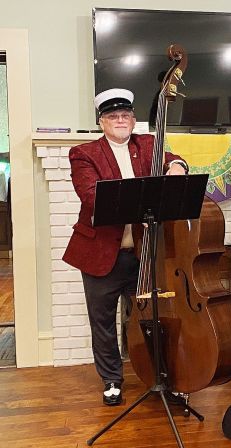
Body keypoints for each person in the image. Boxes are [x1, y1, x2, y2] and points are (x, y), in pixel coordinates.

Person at [63, 88, 188, 406]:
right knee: (103, 322)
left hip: (143, 255)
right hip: (101, 254)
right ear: (102, 122)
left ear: (133, 120)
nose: (120, 120)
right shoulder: (84, 153)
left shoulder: (148, 144)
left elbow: (172, 159)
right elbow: (92, 196)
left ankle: (159, 375)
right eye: (113, 116)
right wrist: (142, 208)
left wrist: (178, 166)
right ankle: (111, 379)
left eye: (126, 115)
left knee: (151, 320)